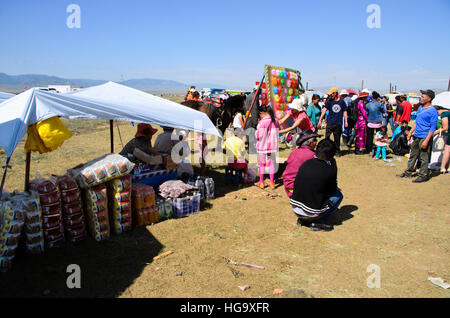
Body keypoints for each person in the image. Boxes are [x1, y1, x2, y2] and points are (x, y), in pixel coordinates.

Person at [290, 139, 343, 231]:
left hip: (295, 208)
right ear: (332, 156)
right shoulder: (329, 171)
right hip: (311, 212)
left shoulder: (306, 163)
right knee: (338, 195)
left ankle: (303, 219)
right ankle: (318, 222)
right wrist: (334, 168)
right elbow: (332, 191)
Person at [397, 90, 438, 183]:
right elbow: (416, 122)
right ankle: (408, 172)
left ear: (429, 99)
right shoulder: (420, 108)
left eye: (423, 96)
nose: (421, 98)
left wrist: (426, 140)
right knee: (413, 155)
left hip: (425, 137)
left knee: (424, 157)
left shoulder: (433, 111)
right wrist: (411, 132)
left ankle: (423, 175)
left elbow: (432, 128)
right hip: (416, 136)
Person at [282, 129, 320, 198]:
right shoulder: (312, 155)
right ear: (309, 142)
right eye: (315, 140)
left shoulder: (294, 151)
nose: (316, 142)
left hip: (288, 186)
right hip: (298, 188)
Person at [317, 87, 348, 157]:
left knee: (337, 139)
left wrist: (346, 121)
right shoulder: (329, 101)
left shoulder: (342, 102)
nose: (330, 95)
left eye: (332, 94)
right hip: (330, 123)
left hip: (338, 123)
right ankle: (326, 151)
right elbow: (324, 110)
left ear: (335, 93)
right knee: (327, 138)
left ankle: (337, 151)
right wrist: (320, 120)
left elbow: (345, 111)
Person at [255, 104, 280, 189]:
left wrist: (255, 133)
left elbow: (259, 136)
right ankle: (272, 183)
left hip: (263, 146)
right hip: (272, 146)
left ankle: (262, 182)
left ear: (262, 113)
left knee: (262, 164)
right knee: (271, 164)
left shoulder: (263, 122)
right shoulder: (275, 120)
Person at [430, 107, 449, 173]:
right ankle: (448, 167)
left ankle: (442, 167)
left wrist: (435, 132)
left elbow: (445, 127)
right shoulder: (448, 112)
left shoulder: (444, 114)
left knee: (447, 149)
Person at [365, 91, 385, 156]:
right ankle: (380, 149)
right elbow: (383, 111)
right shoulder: (380, 104)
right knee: (379, 136)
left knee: (370, 137)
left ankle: (369, 150)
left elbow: (366, 112)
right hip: (378, 123)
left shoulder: (368, 105)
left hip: (370, 122)